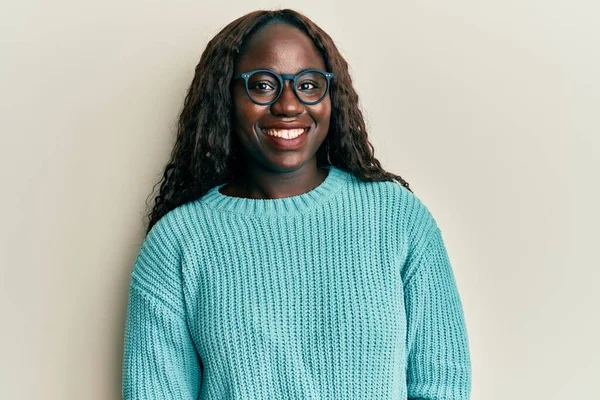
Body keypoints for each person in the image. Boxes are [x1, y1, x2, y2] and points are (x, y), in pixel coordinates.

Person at [122, 8, 472, 400]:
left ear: (331, 96)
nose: (289, 106)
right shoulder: (177, 242)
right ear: (225, 97)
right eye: (263, 85)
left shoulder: (397, 218)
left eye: (308, 85)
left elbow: (442, 384)